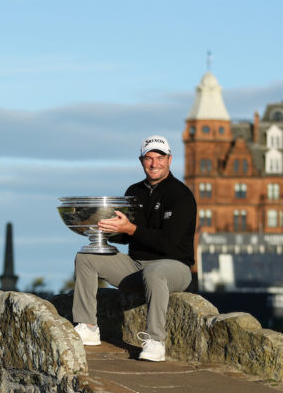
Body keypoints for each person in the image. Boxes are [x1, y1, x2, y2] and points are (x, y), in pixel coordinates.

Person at [71, 135, 197, 362]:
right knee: (86, 256)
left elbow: (169, 243)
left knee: (155, 271)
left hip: (175, 269)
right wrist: (104, 228)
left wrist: (130, 229)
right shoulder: (135, 191)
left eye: (160, 157)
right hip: (136, 267)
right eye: (148, 158)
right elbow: (126, 235)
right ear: (141, 161)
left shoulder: (181, 195)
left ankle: (156, 341)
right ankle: (88, 327)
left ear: (170, 159)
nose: (154, 163)